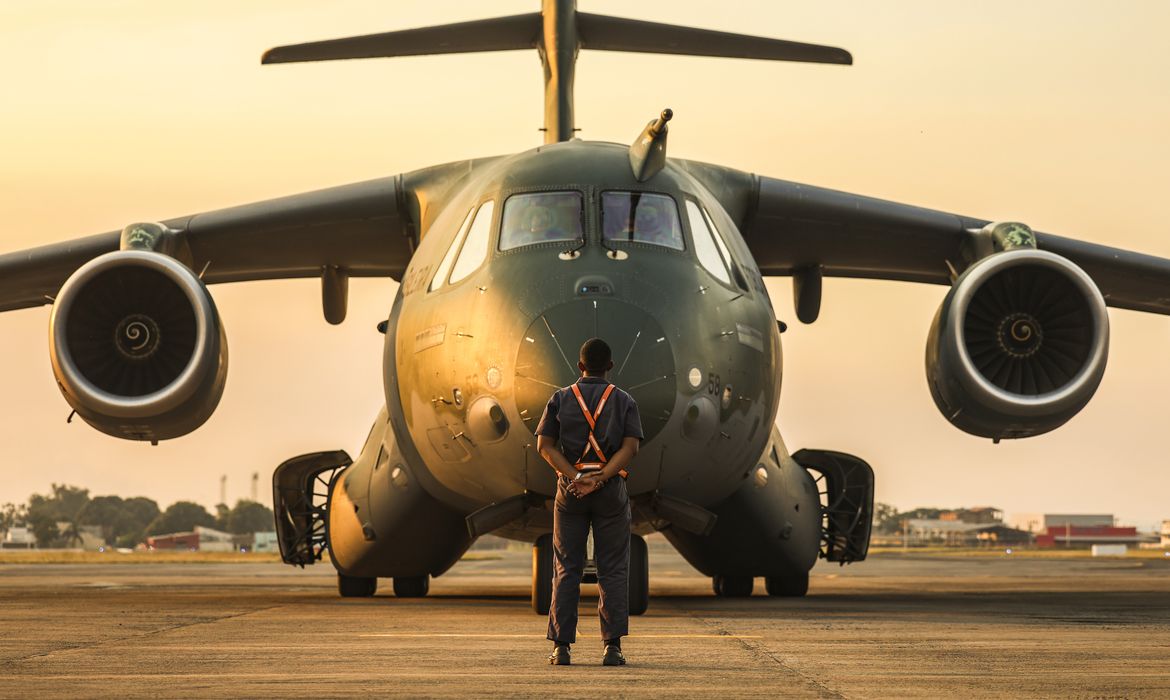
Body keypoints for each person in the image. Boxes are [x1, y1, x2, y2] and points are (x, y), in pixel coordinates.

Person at [536, 338, 643, 667]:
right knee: (612, 570)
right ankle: (612, 648)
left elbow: (544, 446)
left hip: (571, 491)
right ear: (610, 366)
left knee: (566, 569)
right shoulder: (624, 400)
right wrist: (601, 478)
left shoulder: (559, 399)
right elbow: (630, 448)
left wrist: (575, 478)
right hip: (610, 491)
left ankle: (561, 648)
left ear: (580, 366)